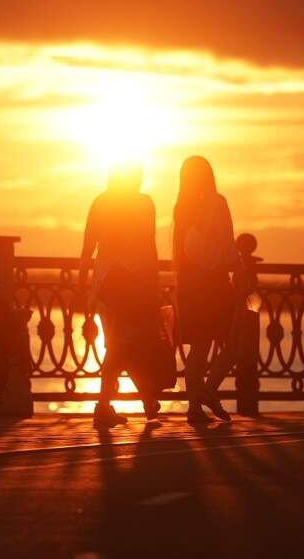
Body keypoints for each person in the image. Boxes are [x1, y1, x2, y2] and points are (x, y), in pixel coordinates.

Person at [77, 163, 163, 428]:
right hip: (133, 282)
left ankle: (140, 400)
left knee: (119, 343)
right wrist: (154, 283)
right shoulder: (143, 203)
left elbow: (88, 246)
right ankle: (107, 405)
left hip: (105, 284)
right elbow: (149, 245)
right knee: (123, 344)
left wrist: (82, 287)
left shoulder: (101, 202)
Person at [173, 155, 239, 424]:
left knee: (199, 348)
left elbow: (187, 250)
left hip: (189, 283)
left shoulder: (181, 207)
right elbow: (227, 243)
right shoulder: (216, 202)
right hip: (213, 281)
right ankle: (208, 391)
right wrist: (240, 267)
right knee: (231, 342)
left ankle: (195, 405)